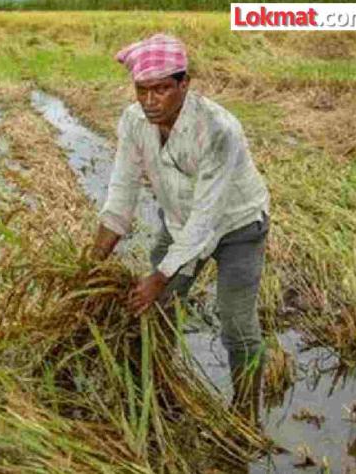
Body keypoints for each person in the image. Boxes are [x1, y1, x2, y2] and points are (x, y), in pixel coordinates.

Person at [91, 33, 271, 425]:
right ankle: (158, 395)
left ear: (184, 84)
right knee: (157, 311)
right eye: (142, 90)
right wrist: (91, 262)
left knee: (237, 325)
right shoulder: (134, 122)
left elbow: (206, 218)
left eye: (161, 89)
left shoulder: (218, 129)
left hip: (237, 226)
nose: (150, 101)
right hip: (179, 222)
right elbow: (122, 192)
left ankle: (245, 415)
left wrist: (160, 277)